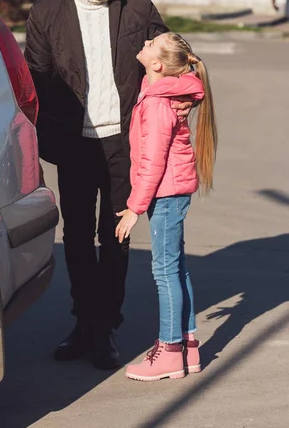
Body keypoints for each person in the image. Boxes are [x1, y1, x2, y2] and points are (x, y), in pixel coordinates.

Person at [25, 0, 192, 370]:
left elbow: (170, 54)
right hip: (74, 143)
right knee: (78, 237)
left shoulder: (136, 3)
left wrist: (182, 92)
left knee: (116, 236)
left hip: (125, 142)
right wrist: (46, 137)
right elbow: (37, 81)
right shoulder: (46, 14)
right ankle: (83, 323)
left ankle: (106, 328)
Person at [115, 32, 217, 381]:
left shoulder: (159, 103)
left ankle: (170, 350)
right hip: (171, 191)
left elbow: (153, 163)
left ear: (157, 64)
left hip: (166, 192)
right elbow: (193, 81)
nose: (143, 44)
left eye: (149, 45)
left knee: (164, 271)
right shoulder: (161, 91)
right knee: (176, 267)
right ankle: (188, 345)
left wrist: (134, 208)